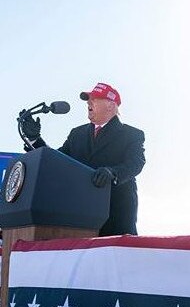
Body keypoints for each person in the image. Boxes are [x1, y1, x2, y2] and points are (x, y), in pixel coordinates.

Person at [21, 83, 145, 236]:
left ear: (111, 106)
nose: (89, 103)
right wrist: (34, 139)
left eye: (95, 99)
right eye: (88, 100)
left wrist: (113, 173)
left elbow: (136, 163)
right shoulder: (77, 134)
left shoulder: (132, 134)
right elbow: (55, 160)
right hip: (79, 219)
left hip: (115, 217)